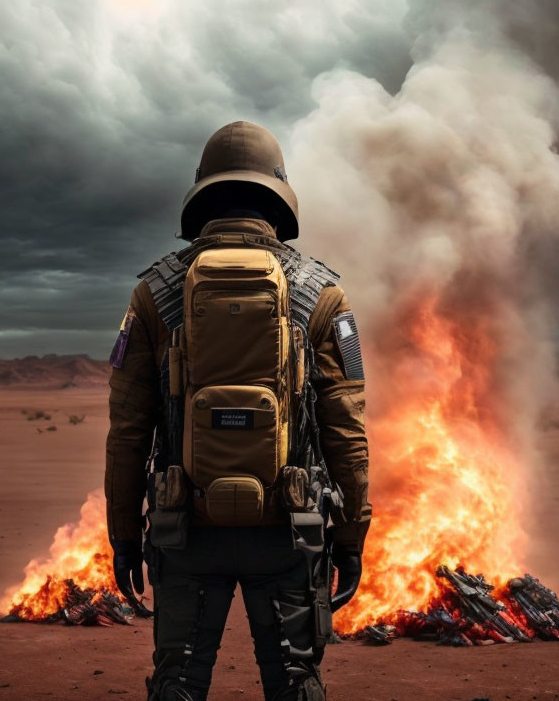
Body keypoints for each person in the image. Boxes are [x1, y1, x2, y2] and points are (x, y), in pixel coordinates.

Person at [105, 121, 370, 701]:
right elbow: (346, 431)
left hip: (185, 535)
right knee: (297, 685)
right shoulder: (324, 293)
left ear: (203, 194)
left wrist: (123, 536)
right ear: (277, 196)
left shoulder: (152, 292)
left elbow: (127, 432)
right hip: (288, 536)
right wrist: (350, 536)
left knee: (177, 684)